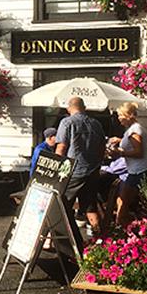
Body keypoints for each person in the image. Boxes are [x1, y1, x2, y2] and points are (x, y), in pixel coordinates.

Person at [55, 96, 105, 240]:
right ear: (84, 108)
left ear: (69, 108)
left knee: (62, 207)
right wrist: (97, 164)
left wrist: (57, 169)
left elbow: (61, 147)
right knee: (91, 207)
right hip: (93, 171)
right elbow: (102, 148)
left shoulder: (67, 122)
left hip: (73, 171)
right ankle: (100, 240)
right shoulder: (96, 123)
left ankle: (71, 242)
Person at [108, 102, 147, 228]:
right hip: (138, 170)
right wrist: (120, 141)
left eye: (120, 115)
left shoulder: (135, 130)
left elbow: (139, 152)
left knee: (124, 202)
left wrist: (119, 152)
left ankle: (124, 229)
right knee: (123, 200)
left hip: (139, 171)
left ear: (128, 115)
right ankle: (128, 226)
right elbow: (133, 142)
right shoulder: (133, 129)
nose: (118, 118)